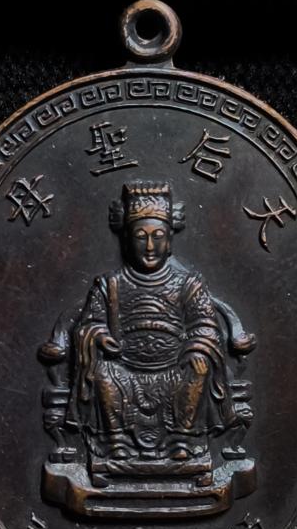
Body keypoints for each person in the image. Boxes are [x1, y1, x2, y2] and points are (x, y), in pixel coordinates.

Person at [59, 181, 243, 462]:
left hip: (175, 367)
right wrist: (99, 336)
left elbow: (206, 326)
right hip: (123, 368)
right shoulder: (110, 285)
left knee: (200, 364)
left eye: (158, 236)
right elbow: (88, 324)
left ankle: (182, 440)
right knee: (101, 369)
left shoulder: (188, 284)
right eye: (140, 237)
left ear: (169, 241)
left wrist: (194, 346)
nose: (149, 246)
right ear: (126, 240)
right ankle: (116, 441)